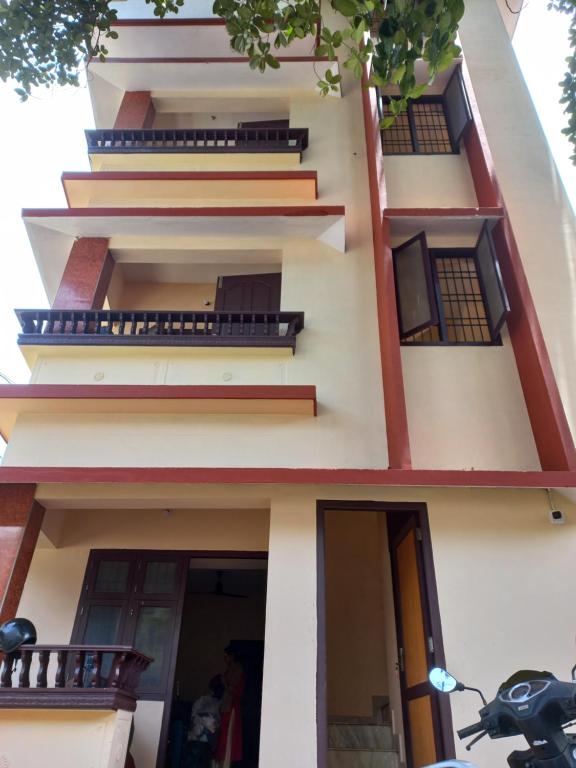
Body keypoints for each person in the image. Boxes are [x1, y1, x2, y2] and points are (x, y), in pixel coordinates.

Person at [215, 644, 247, 768]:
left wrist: (223, 680)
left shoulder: (237, 669)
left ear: (232, 656)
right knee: (224, 737)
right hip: (226, 707)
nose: (225, 659)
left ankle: (226, 764)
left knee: (228, 737)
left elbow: (233, 688)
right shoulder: (230, 669)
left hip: (232, 707)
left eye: (226, 656)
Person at [187, 675, 225, 768]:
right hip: (198, 739)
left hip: (207, 741)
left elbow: (218, 723)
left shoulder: (220, 703)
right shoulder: (203, 700)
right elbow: (193, 717)